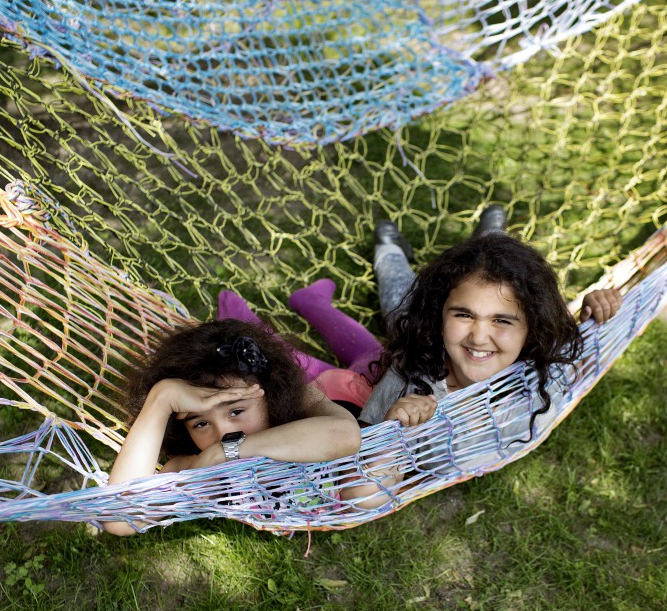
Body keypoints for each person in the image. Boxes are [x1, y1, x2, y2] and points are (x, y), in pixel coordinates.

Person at [360, 205, 623, 428]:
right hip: (421, 333)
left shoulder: (542, 367)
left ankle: (492, 236)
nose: (479, 336)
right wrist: (392, 422)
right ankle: (389, 249)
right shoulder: (407, 374)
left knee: (496, 260)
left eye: (501, 320)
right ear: (439, 315)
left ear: (532, 328)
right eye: (464, 315)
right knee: (399, 296)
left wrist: (594, 310)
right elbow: (364, 455)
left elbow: (583, 348)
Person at [104, 317, 364, 536]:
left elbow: (347, 436)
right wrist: (161, 399)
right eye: (201, 423)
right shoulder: (197, 467)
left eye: (236, 411)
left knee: (364, 359)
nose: (223, 433)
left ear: (270, 395)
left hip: (349, 394)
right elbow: (119, 520)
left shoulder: (302, 398)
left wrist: (226, 450)